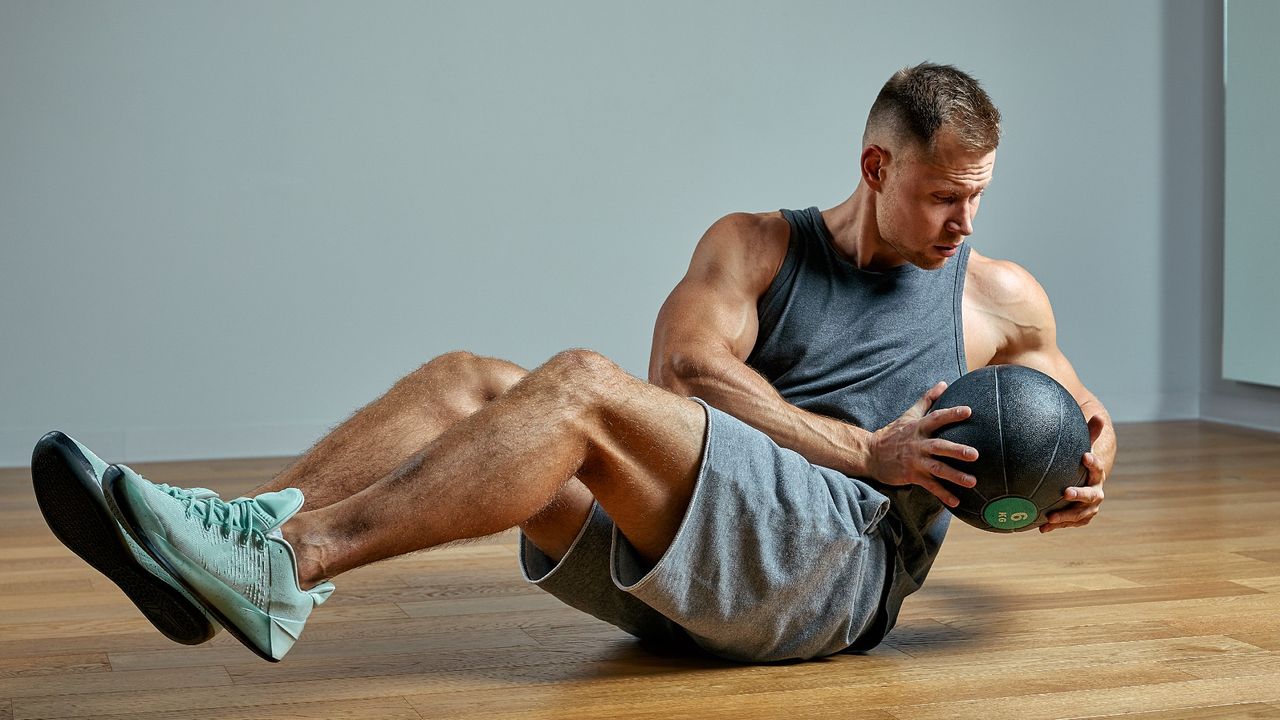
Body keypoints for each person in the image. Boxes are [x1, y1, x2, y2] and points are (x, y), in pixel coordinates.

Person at [32, 62, 1116, 663]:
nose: (963, 222)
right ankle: (239, 540)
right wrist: (860, 443)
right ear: (876, 166)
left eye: (978, 194)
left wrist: (1084, 463)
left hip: (836, 579)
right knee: (474, 381)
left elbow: (1076, 415)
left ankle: (280, 566)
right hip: (690, 570)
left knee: (583, 389)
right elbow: (683, 374)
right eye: (943, 194)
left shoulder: (993, 296)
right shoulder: (755, 246)